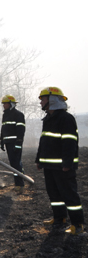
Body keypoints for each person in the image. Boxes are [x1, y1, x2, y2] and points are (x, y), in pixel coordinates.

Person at [36, 87, 85, 235]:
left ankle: (77, 225)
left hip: (62, 166)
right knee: (54, 194)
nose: (41, 103)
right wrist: (39, 159)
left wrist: (67, 163)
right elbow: (44, 141)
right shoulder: (48, 119)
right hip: (49, 165)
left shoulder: (65, 118)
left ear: (52, 100)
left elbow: (70, 143)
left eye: (42, 99)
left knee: (69, 195)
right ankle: (59, 218)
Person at [0, 94, 26, 194]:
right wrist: (2, 141)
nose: (3, 106)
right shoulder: (5, 115)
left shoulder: (18, 115)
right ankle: (17, 184)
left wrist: (19, 143)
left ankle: (20, 184)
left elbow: (21, 130)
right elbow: (3, 129)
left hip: (14, 143)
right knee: (13, 164)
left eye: (5, 104)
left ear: (11, 104)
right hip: (8, 143)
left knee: (16, 163)